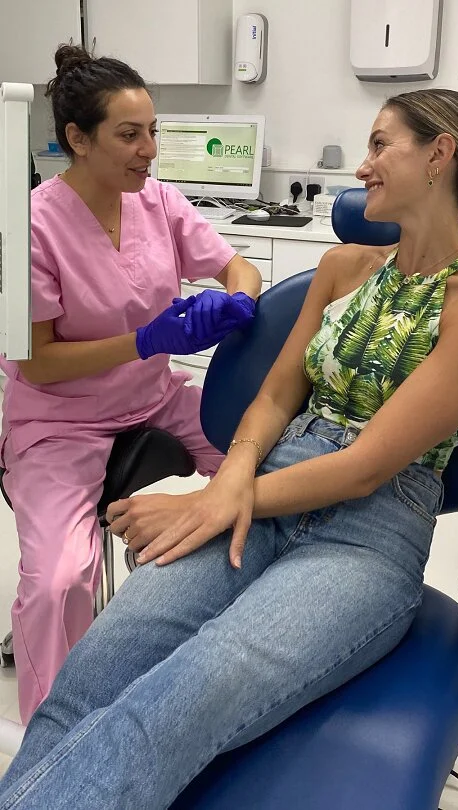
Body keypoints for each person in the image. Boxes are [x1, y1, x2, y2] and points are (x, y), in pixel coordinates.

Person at [0, 88, 458, 809]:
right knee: (89, 678)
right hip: (274, 478)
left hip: (367, 534)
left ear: (438, 155)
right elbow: (279, 396)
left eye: (381, 146)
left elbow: (367, 466)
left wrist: (219, 497)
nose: (364, 166)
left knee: (170, 706)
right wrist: (238, 472)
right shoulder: (345, 268)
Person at [0, 44, 262, 725]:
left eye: (152, 131)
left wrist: (241, 301)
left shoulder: (157, 201)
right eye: (129, 134)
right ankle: (55, 738)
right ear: (77, 141)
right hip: (58, 421)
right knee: (60, 581)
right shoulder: (26, 227)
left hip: (155, 398)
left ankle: (250, 642)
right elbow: (37, 363)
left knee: (273, 459)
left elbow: (235, 263)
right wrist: (147, 338)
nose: (149, 149)